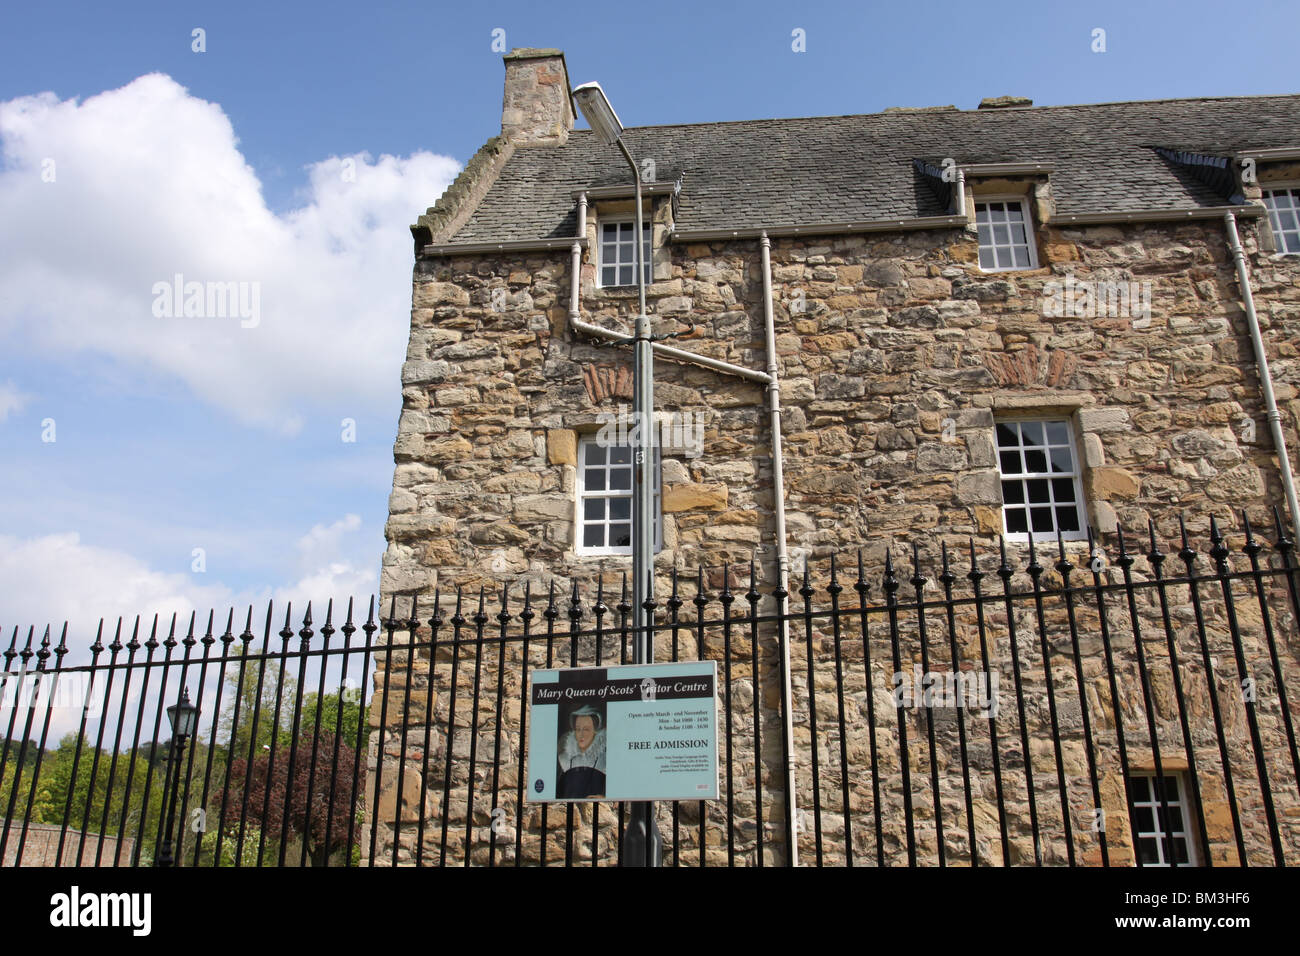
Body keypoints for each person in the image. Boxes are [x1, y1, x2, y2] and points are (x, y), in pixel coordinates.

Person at [557, 704, 606, 798]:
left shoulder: (604, 759)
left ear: (595, 732)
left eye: (586, 729)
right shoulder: (564, 758)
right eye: (578, 729)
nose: (581, 734)